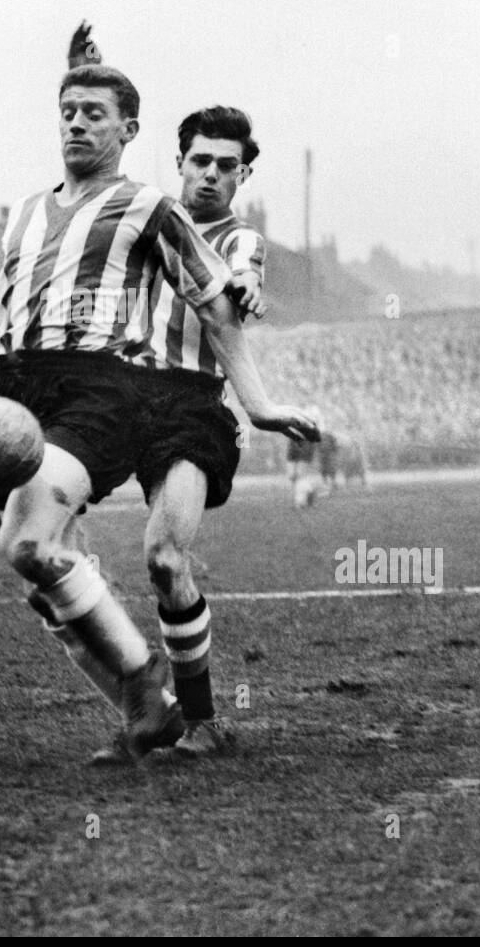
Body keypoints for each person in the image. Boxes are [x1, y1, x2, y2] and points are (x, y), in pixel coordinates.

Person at [0, 37, 318, 761]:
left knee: (120, 552)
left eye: (95, 112)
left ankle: (171, 701)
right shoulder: (26, 213)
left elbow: (222, 301)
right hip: (22, 384)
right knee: (33, 555)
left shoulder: (151, 208)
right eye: (67, 110)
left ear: (129, 132)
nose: (76, 123)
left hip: (112, 390)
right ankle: (144, 704)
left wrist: (259, 404)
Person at [42, 106, 307, 760]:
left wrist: (245, 287)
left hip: (191, 411)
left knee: (164, 557)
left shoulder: (238, 240)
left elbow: (242, 275)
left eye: (227, 165)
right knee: (40, 553)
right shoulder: (140, 223)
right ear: (180, 162)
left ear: (242, 174)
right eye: (201, 161)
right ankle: (144, 710)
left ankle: (204, 720)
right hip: (117, 401)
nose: (212, 174)